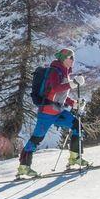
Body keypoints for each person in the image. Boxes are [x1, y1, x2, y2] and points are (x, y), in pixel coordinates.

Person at [17, 48, 90, 178]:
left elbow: (60, 95)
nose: (73, 60)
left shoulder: (65, 72)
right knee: (37, 138)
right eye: (71, 57)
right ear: (63, 58)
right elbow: (56, 88)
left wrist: (73, 103)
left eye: (73, 57)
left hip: (58, 110)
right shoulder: (54, 71)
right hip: (47, 112)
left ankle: (75, 158)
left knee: (76, 126)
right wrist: (73, 84)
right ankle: (24, 167)